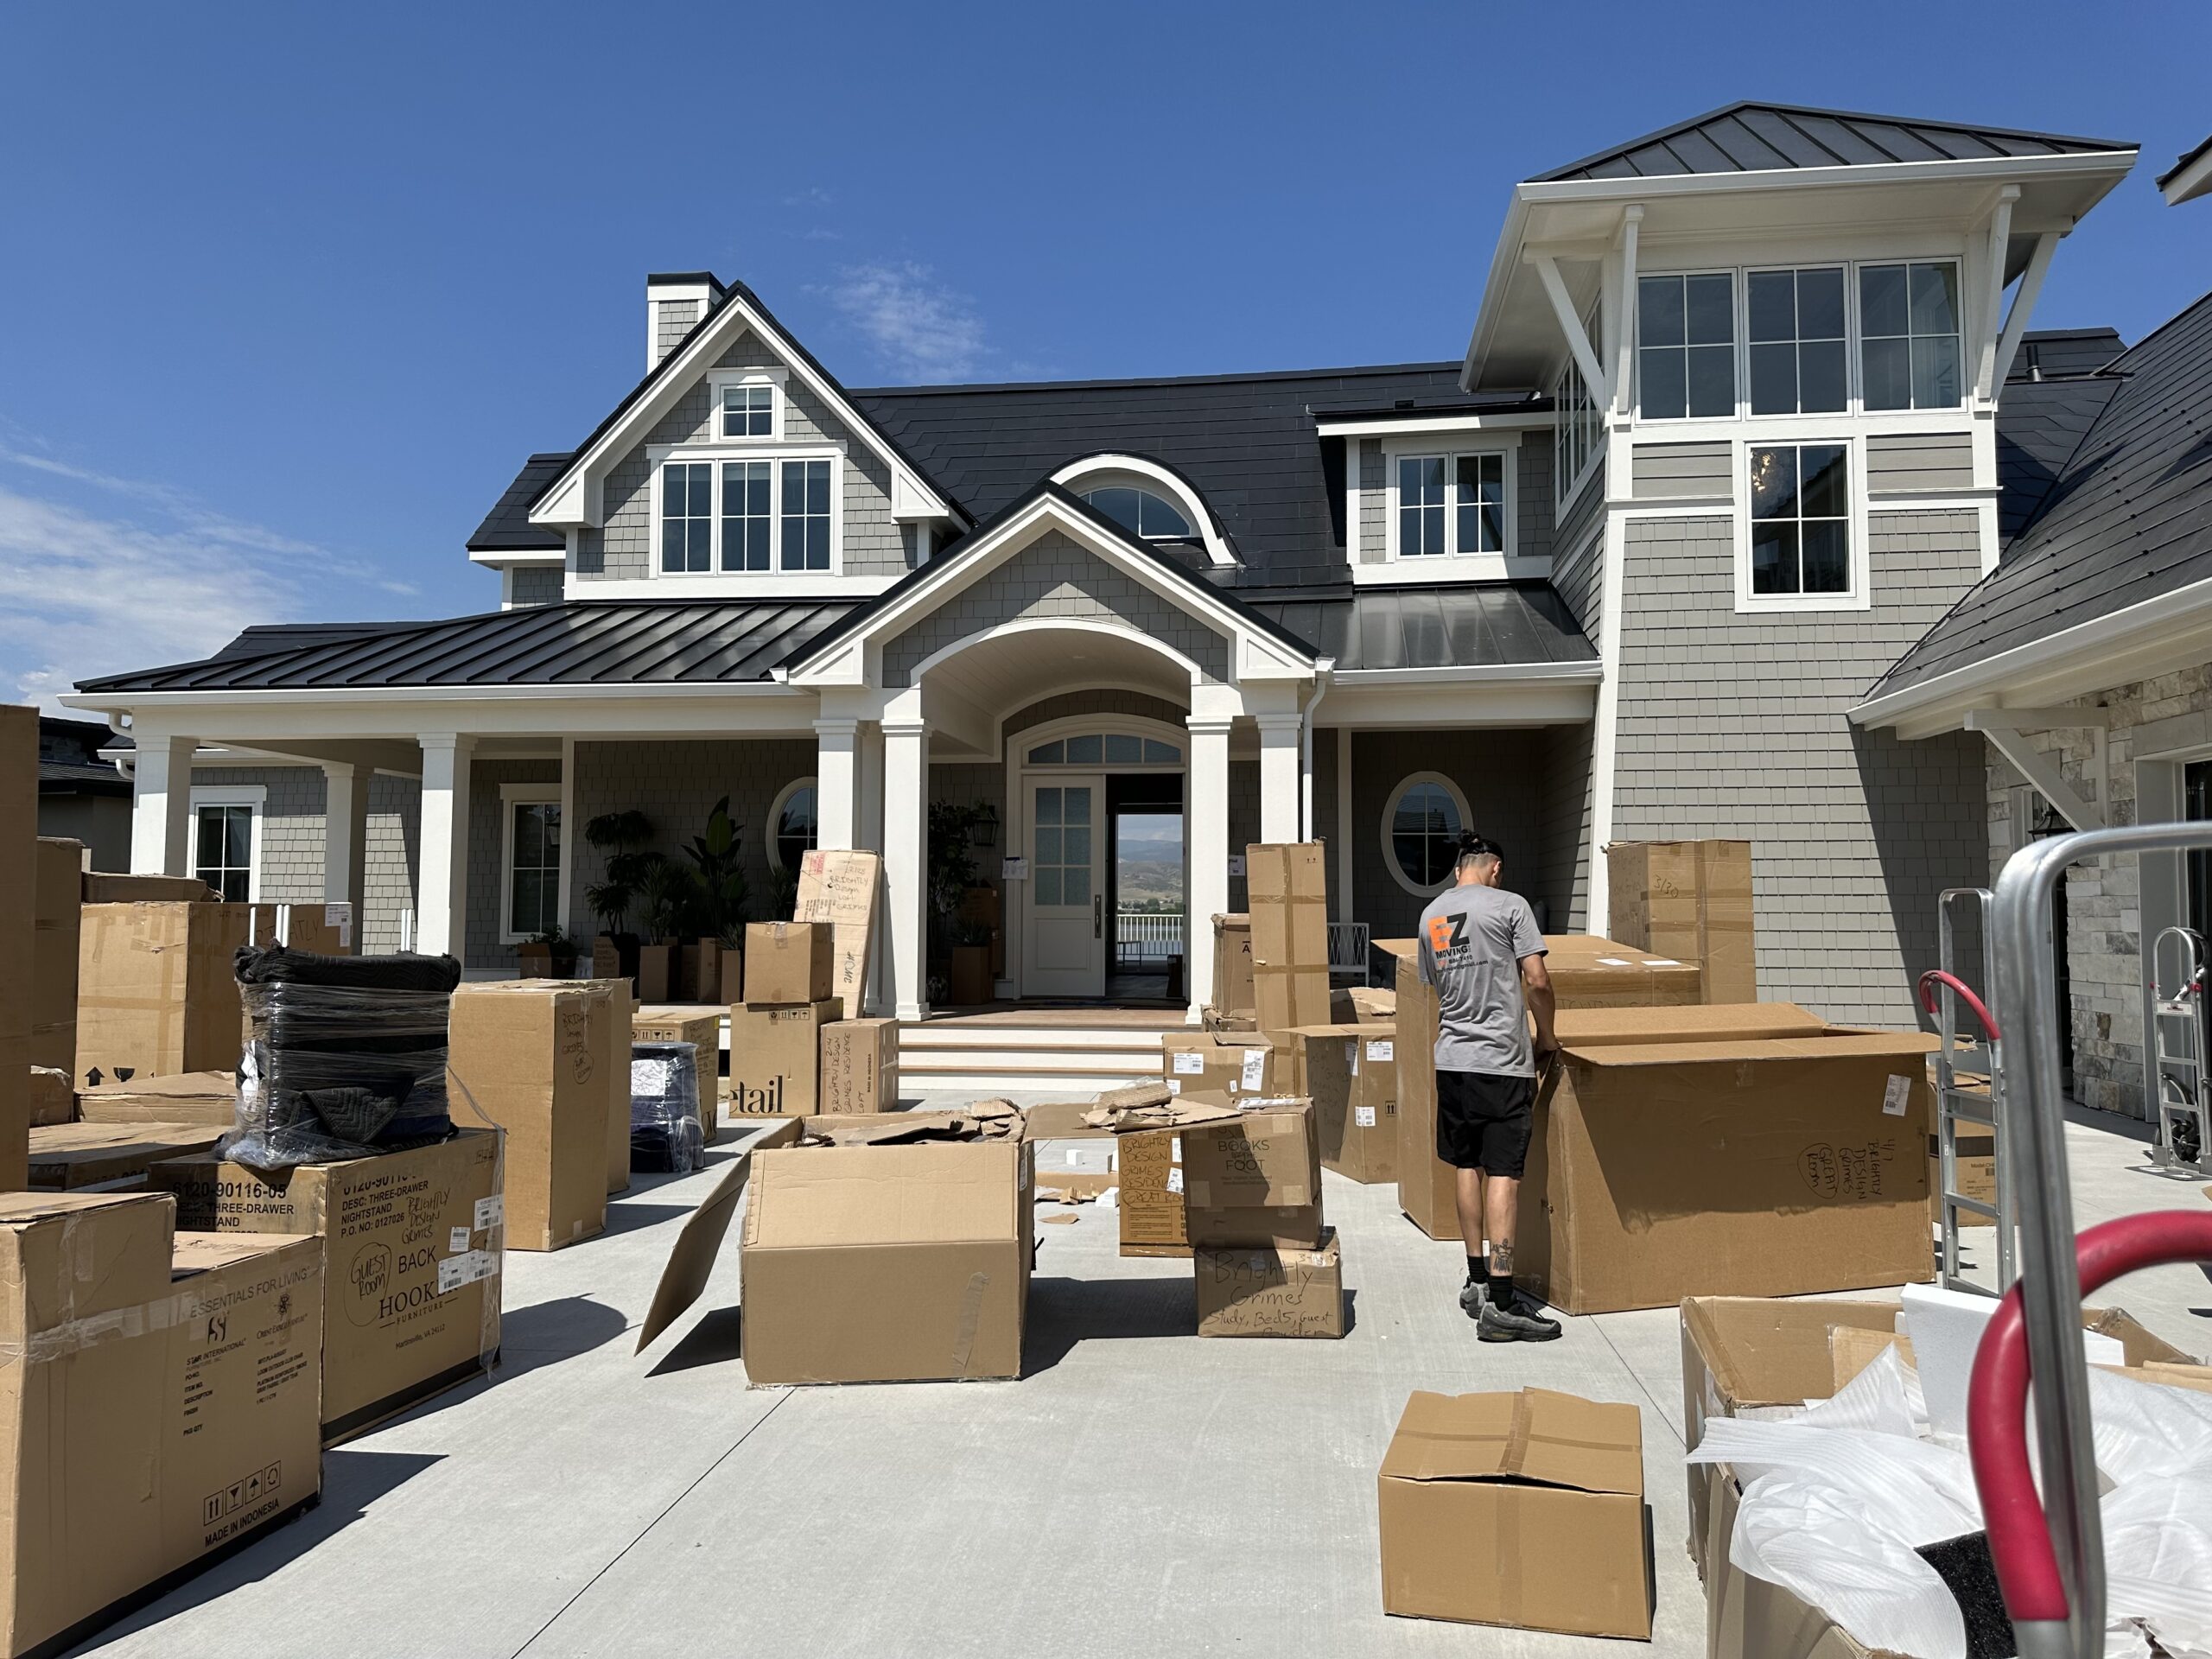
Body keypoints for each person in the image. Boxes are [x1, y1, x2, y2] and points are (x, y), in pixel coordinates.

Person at [1416, 834, 1562, 1342]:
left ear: (1459, 869)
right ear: (1495, 868)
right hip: (1501, 1061)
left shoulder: (1431, 916)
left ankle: (1476, 1279)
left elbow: (1439, 990)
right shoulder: (1510, 906)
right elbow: (1538, 982)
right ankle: (1502, 1303)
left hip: (1453, 1062)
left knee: (1466, 1165)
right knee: (1504, 1173)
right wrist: (1546, 1037)